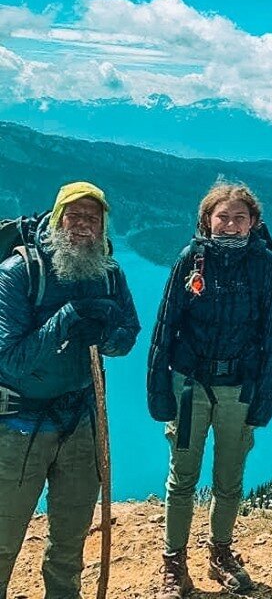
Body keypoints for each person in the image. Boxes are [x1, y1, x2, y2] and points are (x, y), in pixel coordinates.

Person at [0, 181, 140, 599]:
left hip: (82, 421)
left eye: (93, 220)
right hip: (19, 426)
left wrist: (108, 333)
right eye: (74, 216)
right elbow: (9, 360)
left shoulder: (109, 273)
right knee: (3, 538)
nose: (82, 226)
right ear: (56, 218)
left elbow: (127, 336)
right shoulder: (20, 273)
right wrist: (64, 320)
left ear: (103, 227)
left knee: (70, 540)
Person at [147, 182, 272, 598]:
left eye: (239, 217)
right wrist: (159, 390)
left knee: (229, 479)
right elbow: (165, 325)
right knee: (182, 478)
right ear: (207, 220)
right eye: (222, 217)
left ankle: (220, 553)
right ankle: (174, 563)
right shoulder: (191, 260)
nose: (230, 224)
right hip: (189, 385)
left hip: (238, 390)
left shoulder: (263, 265)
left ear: (254, 223)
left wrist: (264, 399)